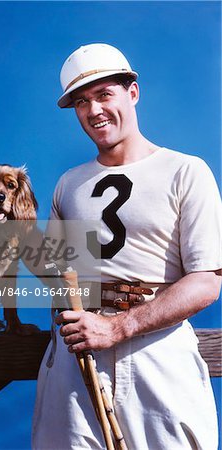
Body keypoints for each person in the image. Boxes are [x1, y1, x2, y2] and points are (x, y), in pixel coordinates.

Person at [32, 43, 222, 450]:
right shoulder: (68, 183)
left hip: (157, 356)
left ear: (132, 92)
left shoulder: (185, 171)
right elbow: (54, 276)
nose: (94, 110)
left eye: (105, 95)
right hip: (74, 363)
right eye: (81, 101)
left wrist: (119, 326)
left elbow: (206, 280)